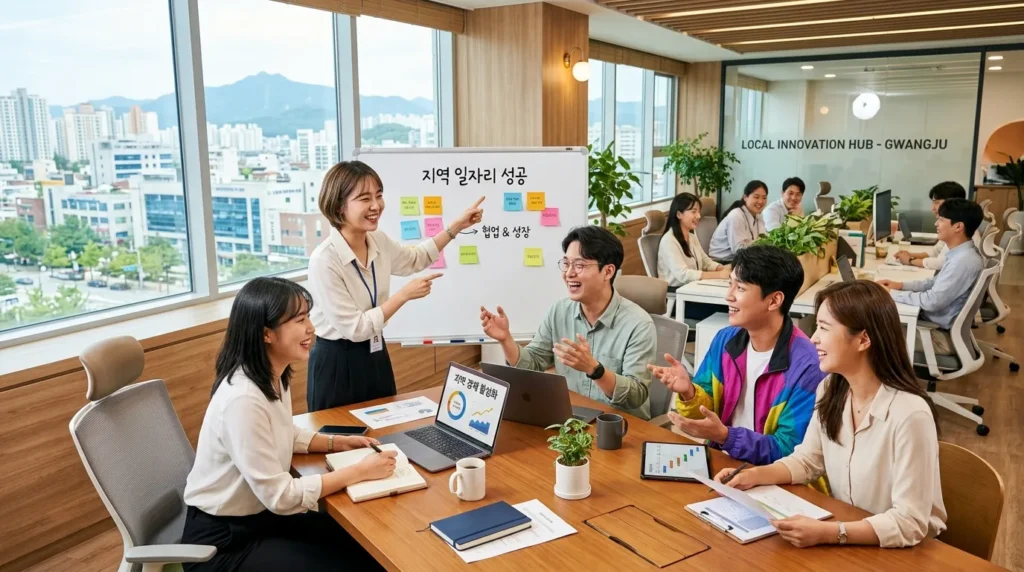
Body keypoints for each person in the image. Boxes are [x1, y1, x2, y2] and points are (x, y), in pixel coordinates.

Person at [182, 277, 396, 571]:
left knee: (361, 544)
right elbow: (281, 496)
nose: (310, 327)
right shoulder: (242, 399)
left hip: (259, 517)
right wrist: (358, 471)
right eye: (298, 320)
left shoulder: (271, 374)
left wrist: (335, 442)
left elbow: (282, 432)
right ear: (266, 333)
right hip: (223, 544)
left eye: (308, 316)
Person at [715, 280, 946, 549]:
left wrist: (829, 533)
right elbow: (809, 460)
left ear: (863, 339)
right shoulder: (831, 388)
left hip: (906, 551)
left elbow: (910, 522)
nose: (813, 338)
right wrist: (754, 476)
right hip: (850, 532)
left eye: (824, 328)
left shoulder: (910, 414)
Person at [306, 160, 484, 412]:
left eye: (379, 195)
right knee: (341, 439)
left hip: (376, 353)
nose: (376, 206)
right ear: (339, 206)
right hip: (337, 360)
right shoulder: (324, 260)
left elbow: (415, 259)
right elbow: (356, 328)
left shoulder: (376, 239)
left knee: (386, 433)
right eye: (365, 198)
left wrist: (456, 227)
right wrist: (403, 296)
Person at [649, 245, 826, 464]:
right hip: (723, 461)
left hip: (773, 477)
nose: (728, 296)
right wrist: (689, 393)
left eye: (740, 288)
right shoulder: (726, 340)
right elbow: (706, 413)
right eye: (729, 284)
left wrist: (725, 436)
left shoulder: (809, 366)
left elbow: (790, 450)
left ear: (774, 300)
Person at [480, 226, 657, 420]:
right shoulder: (559, 311)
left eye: (579, 265)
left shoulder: (639, 324)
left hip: (620, 427)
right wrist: (506, 340)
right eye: (566, 264)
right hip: (573, 419)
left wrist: (594, 370)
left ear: (608, 271)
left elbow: (635, 396)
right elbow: (533, 364)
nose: (569, 274)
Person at [879, 198, 984, 355]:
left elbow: (932, 301)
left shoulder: (963, 262)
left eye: (941, 220)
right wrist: (900, 285)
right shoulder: (960, 254)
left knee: (870, 329)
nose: (936, 224)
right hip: (933, 327)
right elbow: (933, 283)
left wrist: (891, 294)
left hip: (936, 337)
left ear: (958, 226)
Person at [657, 192, 730, 322]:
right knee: (727, 308)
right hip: (679, 299)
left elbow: (705, 261)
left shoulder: (691, 236)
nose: (698, 216)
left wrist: (721, 268)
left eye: (699, 211)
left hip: (695, 292)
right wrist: (719, 275)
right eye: (693, 212)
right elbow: (683, 275)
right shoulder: (669, 241)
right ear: (679, 214)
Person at [894, 181, 967, 269]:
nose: (932, 208)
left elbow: (941, 263)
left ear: (952, 202)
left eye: (936, 203)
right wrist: (910, 255)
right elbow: (936, 251)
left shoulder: (959, 228)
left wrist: (910, 260)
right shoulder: (952, 223)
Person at [709, 180, 768, 263]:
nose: (761, 201)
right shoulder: (736, 216)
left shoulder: (759, 216)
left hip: (746, 259)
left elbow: (764, 240)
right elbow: (739, 251)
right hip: (723, 261)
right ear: (745, 197)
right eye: (756, 197)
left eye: (764, 198)